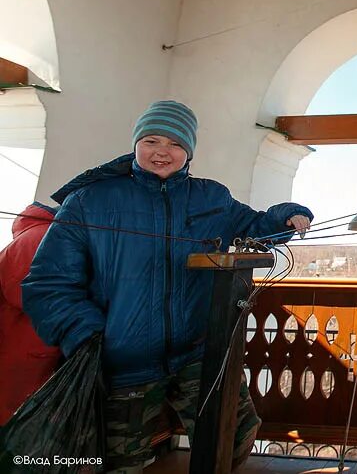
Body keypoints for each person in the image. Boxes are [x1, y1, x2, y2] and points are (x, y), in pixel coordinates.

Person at [22, 100, 312, 472]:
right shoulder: (89, 201)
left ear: (189, 151)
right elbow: (48, 283)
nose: (162, 152)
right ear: (136, 144)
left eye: (175, 144)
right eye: (152, 140)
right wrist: (88, 335)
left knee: (235, 433)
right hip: (123, 363)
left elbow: (256, 226)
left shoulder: (211, 197)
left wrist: (286, 217)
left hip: (195, 355)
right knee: (115, 464)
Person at [0, 202, 61, 426]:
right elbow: (24, 292)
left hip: (26, 347)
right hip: (22, 348)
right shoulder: (42, 237)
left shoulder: (45, 234)